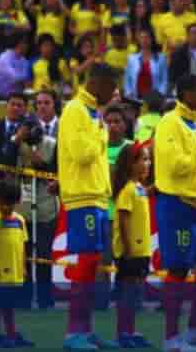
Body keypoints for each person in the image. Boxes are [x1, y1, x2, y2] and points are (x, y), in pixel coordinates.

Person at [153, 73, 196, 352]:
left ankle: (195, 330)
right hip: (177, 204)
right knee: (179, 270)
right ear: (187, 93)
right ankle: (171, 339)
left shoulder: (195, 124)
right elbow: (176, 166)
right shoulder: (170, 122)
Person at [58, 62, 120, 351]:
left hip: (97, 197)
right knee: (85, 267)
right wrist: (101, 130)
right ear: (96, 83)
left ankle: (86, 330)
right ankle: (73, 334)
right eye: (112, 87)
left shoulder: (93, 113)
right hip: (82, 197)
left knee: (93, 265)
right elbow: (82, 153)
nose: (115, 93)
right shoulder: (75, 110)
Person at [111, 142, 152, 350]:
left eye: (148, 159)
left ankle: (130, 330)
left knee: (134, 294)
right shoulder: (128, 190)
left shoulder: (139, 189)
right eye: (144, 159)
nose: (148, 163)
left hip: (141, 251)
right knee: (127, 294)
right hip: (130, 253)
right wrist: (127, 248)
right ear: (131, 164)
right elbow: (124, 220)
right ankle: (122, 333)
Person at [0, 180, 31, 348]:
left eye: (10, 203)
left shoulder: (20, 220)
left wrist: (24, 267)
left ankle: (11, 334)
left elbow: (22, 245)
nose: (7, 207)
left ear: (17, 202)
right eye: (3, 203)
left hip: (15, 271)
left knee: (9, 305)